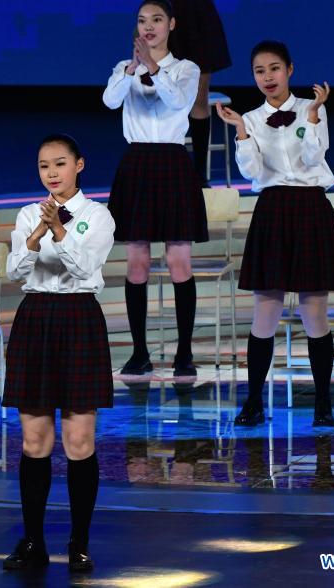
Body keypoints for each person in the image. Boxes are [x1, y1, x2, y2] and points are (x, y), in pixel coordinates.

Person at [1, 134, 115, 573]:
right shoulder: (29, 212)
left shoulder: (98, 216)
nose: (52, 172)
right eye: (44, 165)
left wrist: (61, 230)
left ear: (79, 165)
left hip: (79, 318)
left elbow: (86, 268)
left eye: (60, 163)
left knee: (79, 441)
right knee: (34, 441)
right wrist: (36, 232)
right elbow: (14, 271)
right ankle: (32, 541)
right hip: (35, 319)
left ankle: (79, 543)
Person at [216, 40, 334, 427]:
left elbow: (312, 157)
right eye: (259, 71)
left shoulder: (310, 109)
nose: (267, 77)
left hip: (309, 207)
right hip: (271, 210)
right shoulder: (250, 118)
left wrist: (314, 116)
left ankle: (323, 403)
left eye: (274, 68)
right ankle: (253, 401)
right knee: (265, 309)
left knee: (313, 310)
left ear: (289, 69)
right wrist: (240, 131)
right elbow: (252, 172)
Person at [104, 0, 208, 378]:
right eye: (142, 21)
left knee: (179, 261)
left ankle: (183, 353)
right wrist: (132, 69)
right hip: (137, 164)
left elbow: (179, 101)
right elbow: (110, 100)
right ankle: (139, 351)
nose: (149, 27)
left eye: (157, 20)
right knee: (137, 262)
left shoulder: (186, 69)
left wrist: (153, 67)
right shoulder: (123, 68)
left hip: (173, 162)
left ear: (171, 25)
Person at [169, 0, 232, 186]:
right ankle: (168, 169)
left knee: (199, 99)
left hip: (197, 15)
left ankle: (199, 174)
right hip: (165, 9)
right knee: (163, 96)